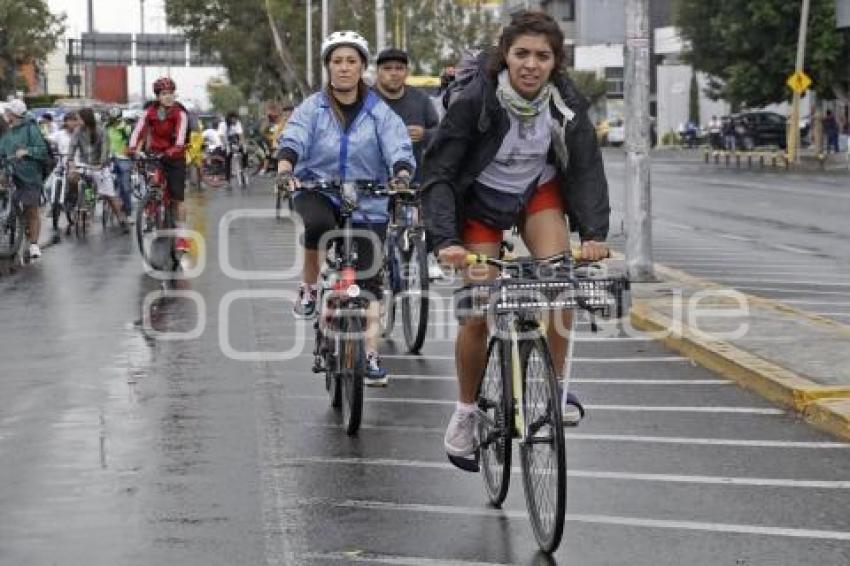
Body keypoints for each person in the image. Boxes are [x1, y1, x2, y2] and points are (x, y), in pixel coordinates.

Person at [420, 11, 610, 467]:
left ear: (555, 62)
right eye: (521, 53)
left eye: (542, 56)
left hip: (535, 192)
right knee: (476, 312)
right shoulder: (477, 99)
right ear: (505, 56)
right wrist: (445, 240)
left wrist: (594, 234)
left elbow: (584, 166)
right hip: (481, 201)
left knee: (561, 283)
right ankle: (466, 412)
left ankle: (555, 389)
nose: (531, 64)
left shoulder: (564, 99)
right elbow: (440, 173)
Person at [276, 30, 414, 386]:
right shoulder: (312, 107)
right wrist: (286, 168)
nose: (344, 68)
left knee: (369, 279)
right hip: (317, 187)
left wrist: (400, 173)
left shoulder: (378, 111)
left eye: (351, 61)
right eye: (337, 61)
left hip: (368, 195)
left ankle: (369, 352)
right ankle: (308, 286)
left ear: (362, 68)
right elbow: (294, 138)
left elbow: (398, 145)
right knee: (319, 225)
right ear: (327, 67)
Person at [128, 76, 191, 253]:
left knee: (177, 199)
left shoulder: (180, 113)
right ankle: (152, 207)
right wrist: (132, 149)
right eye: (164, 94)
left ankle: (182, 237)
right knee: (152, 182)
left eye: (171, 93)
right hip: (155, 155)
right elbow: (138, 131)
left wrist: (172, 151)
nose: (168, 97)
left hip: (175, 156)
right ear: (157, 96)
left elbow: (180, 139)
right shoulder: (150, 112)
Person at [374, 48, 440, 184]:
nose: (393, 73)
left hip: (413, 185)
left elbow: (441, 133)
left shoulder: (421, 99)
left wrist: (425, 135)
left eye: (399, 68)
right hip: (373, 186)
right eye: (387, 68)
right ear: (378, 72)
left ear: (407, 72)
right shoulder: (366, 100)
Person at [0, 99, 49, 260]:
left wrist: (27, 151)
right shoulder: (8, 132)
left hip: (29, 175)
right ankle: (12, 221)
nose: (5, 115)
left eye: (8, 112)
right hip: (11, 173)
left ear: (14, 114)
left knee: (31, 209)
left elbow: (42, 151)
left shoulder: (31, 129)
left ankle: (34, 244)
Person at [68, 108, 131, 233]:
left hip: (100, 166)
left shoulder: (101, 130)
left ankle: (121, 219)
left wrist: (101, 164)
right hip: (84, 164)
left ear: (86, 119)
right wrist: (71, 162)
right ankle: (74, 202)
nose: (77, 121)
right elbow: (72, 146)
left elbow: (105, 149)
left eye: (79, 119)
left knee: (109, 194)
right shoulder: (77, 131)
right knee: (71, 177)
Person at [46, 111, 80, 239]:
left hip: (77, 165)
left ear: (77, 122)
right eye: (69, 120)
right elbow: (47, 139)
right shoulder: (59, 134)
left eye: (74, 120)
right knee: (48, 186)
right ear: (65, 122)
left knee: (73, 181)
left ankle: (72, 201)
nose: (71, 123)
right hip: (61, 164)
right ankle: (53, 205)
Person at [105, 107, 134, 218]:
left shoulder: (126, 128)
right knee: (109, 185)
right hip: (109, 159)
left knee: (125, 187)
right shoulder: (106, 127)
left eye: (115, 119)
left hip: (123, 159)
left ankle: (128, 212)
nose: (113, 121)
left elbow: (132, 142)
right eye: (111, 118)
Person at [218, 111, 245, 184]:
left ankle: (244, 169)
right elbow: (221, 136)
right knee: (227, 160)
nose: (235, 120)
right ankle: (228, 179)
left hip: (235, 141)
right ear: (230, 118)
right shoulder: (223, 124)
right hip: (226, 142)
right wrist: (227, 145)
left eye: (236, 119)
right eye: (234, 119)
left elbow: (240, 134)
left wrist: (241, 143)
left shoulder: (238, 123)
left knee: (244, 152)